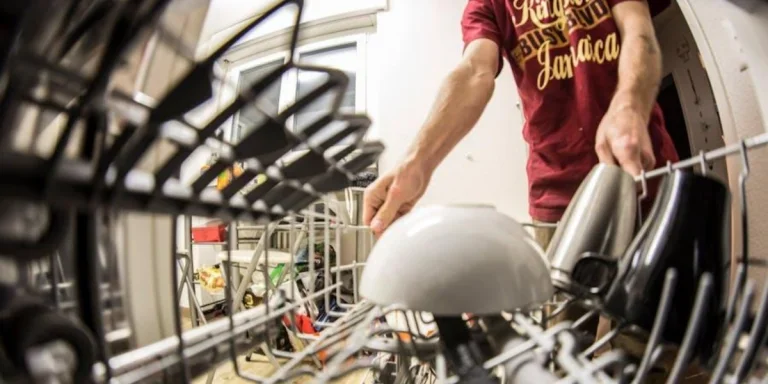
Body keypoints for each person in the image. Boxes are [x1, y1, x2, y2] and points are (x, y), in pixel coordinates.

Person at [362, 0, 709, 382]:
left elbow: (639, 31)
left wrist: (629, 105)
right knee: (559, 349)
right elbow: (475, 71)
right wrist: (417, 163)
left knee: (658, 352)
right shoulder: (486, 5)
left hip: (644, 177)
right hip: (555, 196)